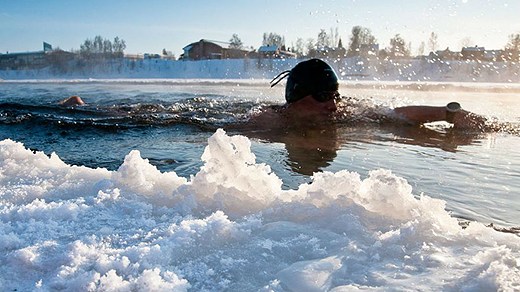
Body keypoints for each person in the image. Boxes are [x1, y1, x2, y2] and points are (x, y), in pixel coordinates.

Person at [248, 58, 488, 130]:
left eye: (335, 96)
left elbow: (396, 115)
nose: (333, 106)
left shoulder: (347, 114)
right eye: (322, 96)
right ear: (296, 98)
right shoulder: (269, 121)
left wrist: (450, 114)